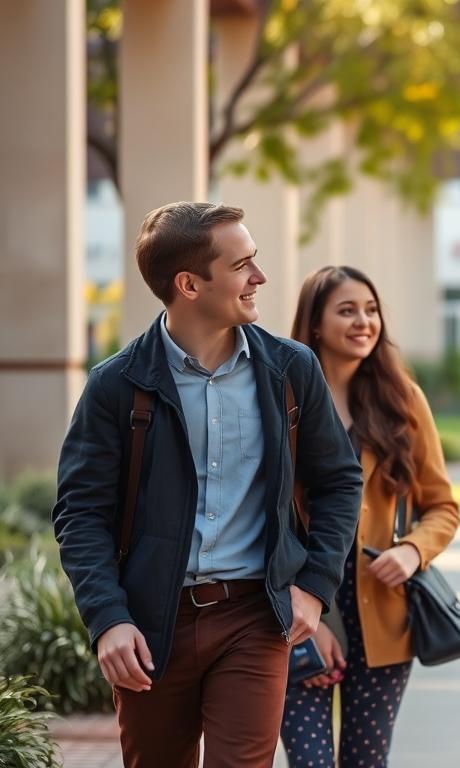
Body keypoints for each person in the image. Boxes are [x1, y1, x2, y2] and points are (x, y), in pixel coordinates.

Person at [52, 202, 363, 768]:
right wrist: (108, 620)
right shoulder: (116, 386)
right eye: (242, 265)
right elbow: (81, 513)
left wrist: (314, 586)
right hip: (149, 624)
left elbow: (339, 483)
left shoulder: (291, 370)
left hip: (254, 616)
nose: (259, 278)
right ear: (189, 284)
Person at [280, 266, 460, 767]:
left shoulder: (403, 401)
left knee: (366, 760)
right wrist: (306, 618)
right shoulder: (282, 400)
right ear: (314, 324)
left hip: (383, 617)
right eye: (346, 311)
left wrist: (412, 550)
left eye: (371, 310)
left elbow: (442, 507)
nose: (364, 321)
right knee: (310, 761)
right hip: (296, 615)